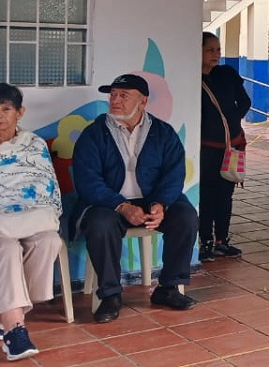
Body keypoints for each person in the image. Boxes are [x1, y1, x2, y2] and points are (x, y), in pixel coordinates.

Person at [71, 74, 199, 323]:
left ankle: (168, 288)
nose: (115, 101)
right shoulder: (94, 134)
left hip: (151, 200)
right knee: (100, 224)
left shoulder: (163, 133)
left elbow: (174, 174)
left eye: (124, 95)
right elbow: (87, 181)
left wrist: (161, 204)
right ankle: (110, 295)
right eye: (113, 95)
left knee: (186, 217)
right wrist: (121, 206)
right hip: (109, 203)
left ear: (143, 101)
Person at [0, 84, 61, 361]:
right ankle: (14, 330)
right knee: (6, 248)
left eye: (6, 109)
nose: (0, 116)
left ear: (20, 113)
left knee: (49, 240)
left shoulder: (34, 145)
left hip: (31, 218)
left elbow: (46, 188)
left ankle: (6, 312)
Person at [199, 32, 251, 262]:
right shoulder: (192, 79)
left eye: (218, 50)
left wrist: (231, 121)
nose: (216, 54)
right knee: (207, 195)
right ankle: (205, 242)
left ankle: (222, 240)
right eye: (210, 50)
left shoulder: (227, 74)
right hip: (206, 149)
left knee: (225, 194)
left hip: (232, 147)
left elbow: (245, 102)